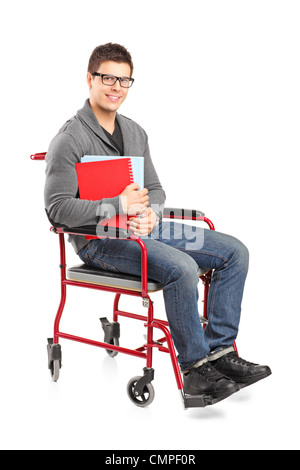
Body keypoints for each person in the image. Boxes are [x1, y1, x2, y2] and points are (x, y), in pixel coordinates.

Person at [44, 43, 271, 404]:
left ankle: (221, 353)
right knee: (182, 266)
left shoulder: (135, 132)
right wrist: (116, 204)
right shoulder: (69, 139)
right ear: (90, 79)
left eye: (124, 80)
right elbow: (57, 209)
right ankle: (196, 370)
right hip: (101, 239)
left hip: (147, 227)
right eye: (107, 78)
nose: (116, 87)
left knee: (233, 251)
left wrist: (155, 211)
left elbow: (155, 189)